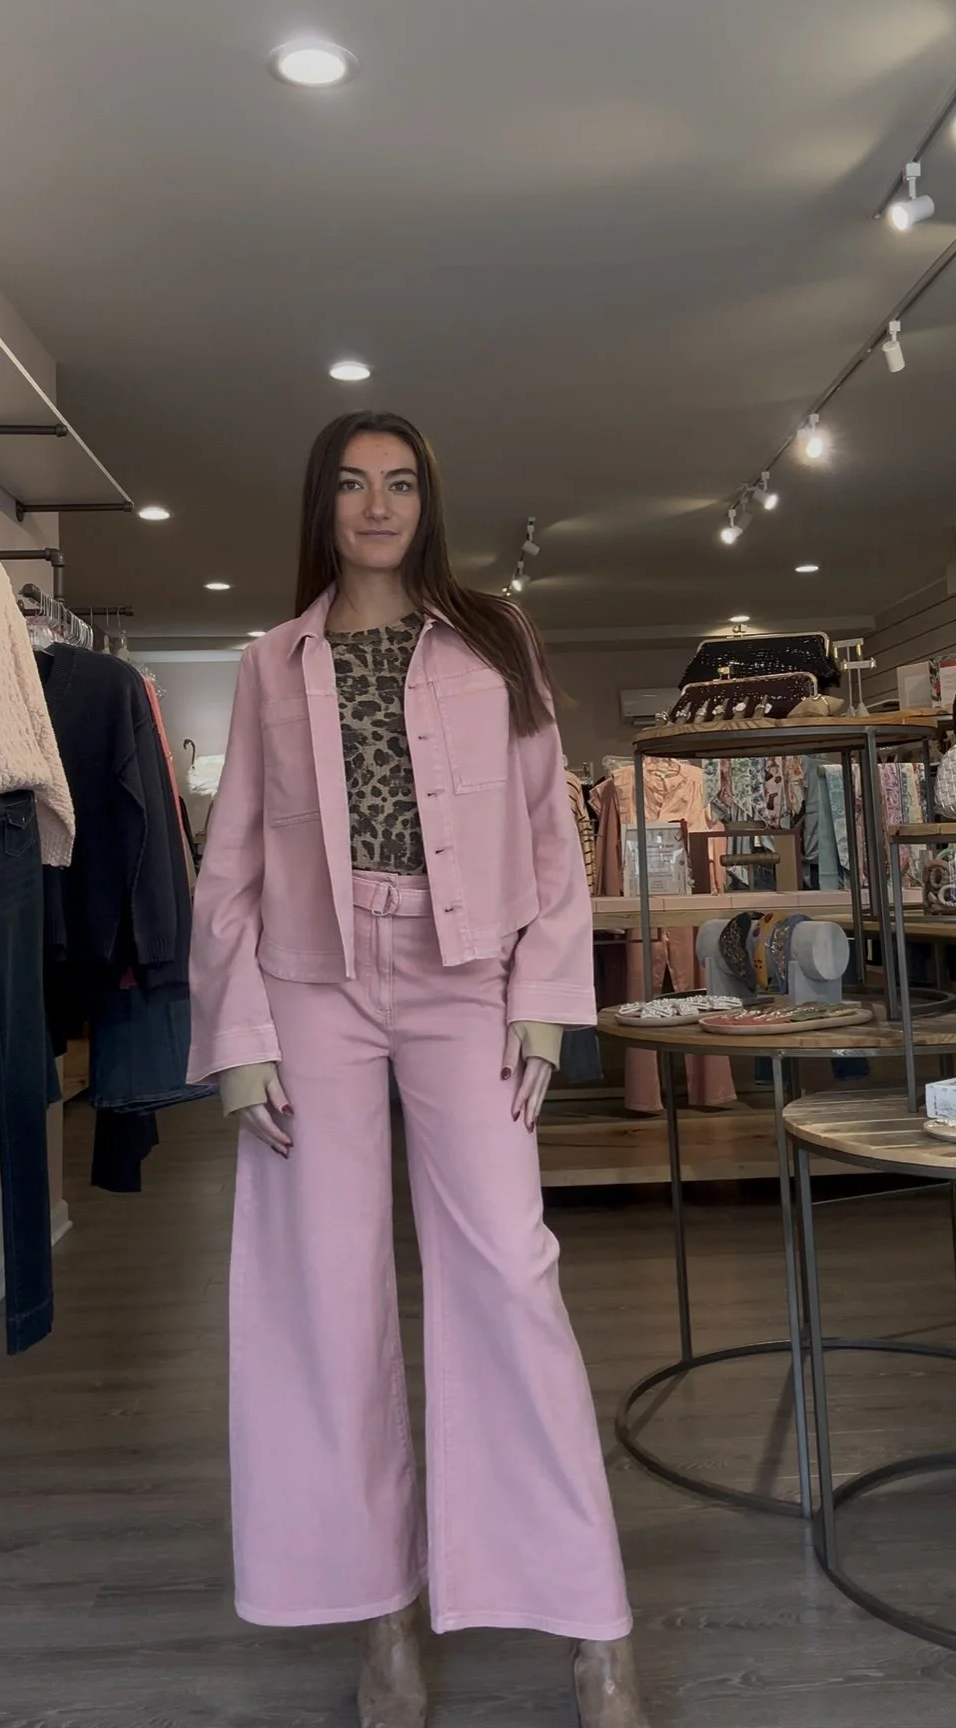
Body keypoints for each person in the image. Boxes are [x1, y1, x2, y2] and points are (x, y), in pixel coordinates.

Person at [188, 411, 649, 1728]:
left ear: (425, 501)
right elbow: (231, 872)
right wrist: (237, 1040)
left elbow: (547, 839)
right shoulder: (271, 663)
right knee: (318, 1296)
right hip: (310, 984)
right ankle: (382, 1613)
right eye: (351, 483)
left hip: (467, 980)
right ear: (320, 505)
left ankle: (588, 1620)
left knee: (508, 1275)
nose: (376, 505)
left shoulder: (494, 641)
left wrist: (545, 1008)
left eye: (398, 483)